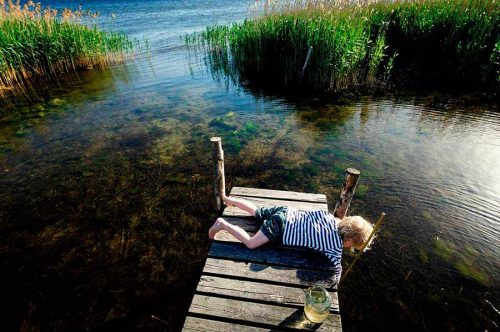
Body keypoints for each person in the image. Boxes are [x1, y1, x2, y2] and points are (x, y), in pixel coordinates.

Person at [208, 194, 374, 284]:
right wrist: (337, 280)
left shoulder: (330, 218)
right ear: (350, 242)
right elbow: (336, 268)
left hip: (286, 212)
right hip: (280, 227)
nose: (349, 249)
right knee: (251, 243)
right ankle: (223, 224)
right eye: (353, 247)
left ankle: (229, 199)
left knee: (257, 211)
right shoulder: (335, 247)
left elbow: (312, 214)